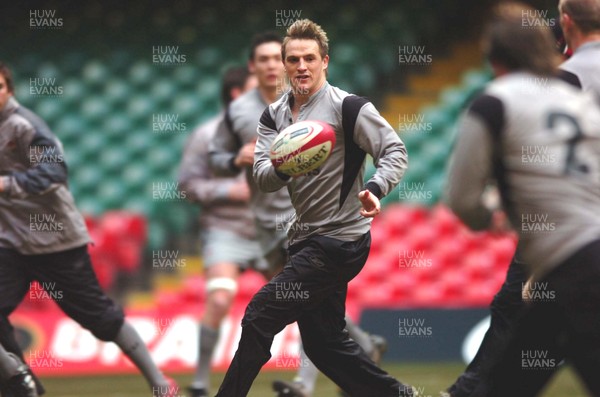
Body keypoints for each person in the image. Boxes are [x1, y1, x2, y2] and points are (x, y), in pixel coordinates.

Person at [214, 19, 416, 397]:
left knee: (259, 315)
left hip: (341, 241)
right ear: (286, 65)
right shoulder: (273, 115)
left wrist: (375, 187)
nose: (301, 66)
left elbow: (394, 151)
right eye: (293, 60)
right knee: (325, 345)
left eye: (309, 58)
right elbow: (261, 176)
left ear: (325, 60)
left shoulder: (349, 107)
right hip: (306, 240)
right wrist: (284, 164)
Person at [443, 1, 600, 395]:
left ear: (493, 57)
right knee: (512, 373)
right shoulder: (579, 103)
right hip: (573, 258)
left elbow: (463, 200)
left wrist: (490, 216)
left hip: (572, 263)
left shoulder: (494, 102)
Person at [0, 62, 177, 397]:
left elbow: (54, 173)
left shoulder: (24, 125)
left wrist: (5, 184)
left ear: (10, 90)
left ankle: (160, 384)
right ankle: (20, 384)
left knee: (99, 318)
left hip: (57, 242)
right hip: (11, 243)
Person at [177, 66, 261, 397]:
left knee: (304, 300)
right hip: (226, 230)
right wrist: (229, 191)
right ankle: (199, 381)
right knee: (221, 297)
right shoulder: (207, 135)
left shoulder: (281, 128)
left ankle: (308, 381)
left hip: (272, 229)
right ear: (238, 95)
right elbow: (187, 185)